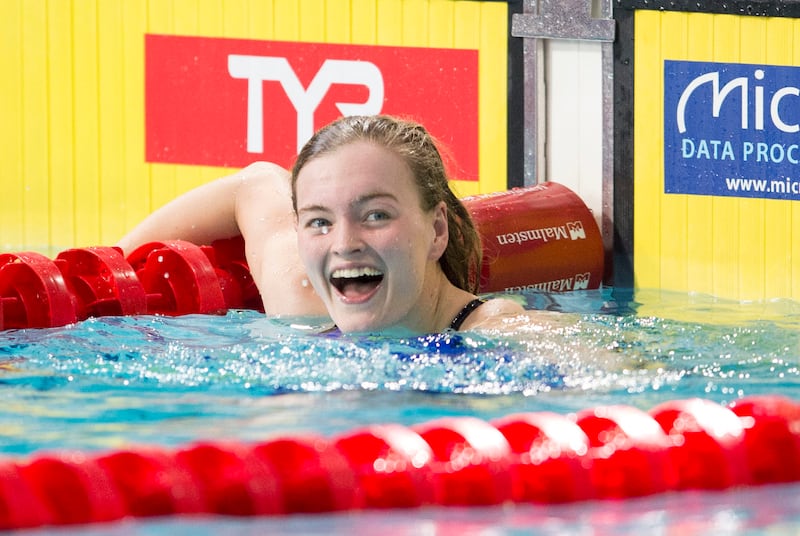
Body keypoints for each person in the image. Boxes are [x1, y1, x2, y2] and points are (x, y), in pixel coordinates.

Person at [116, 115, 524, 334]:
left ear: (437, 230)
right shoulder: (301, 299)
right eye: (319, 221)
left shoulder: (501, 333)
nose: (344, 243)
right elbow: (254, 185)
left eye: (375, 215)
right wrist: (114, 269)